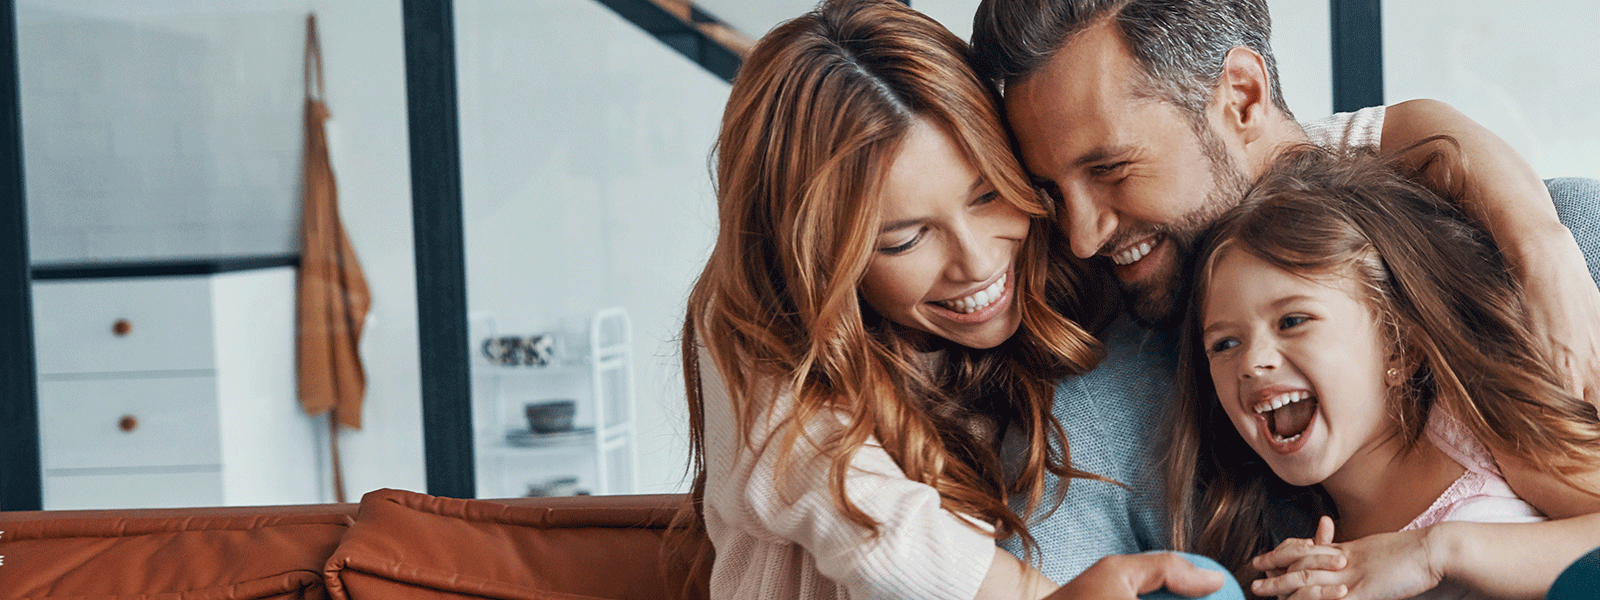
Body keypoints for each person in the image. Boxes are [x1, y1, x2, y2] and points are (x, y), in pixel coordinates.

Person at [967, 0, 1600, 586]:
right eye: (1050, 190)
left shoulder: (1541, 257)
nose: (1080, 236)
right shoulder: (1094, 423)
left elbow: (1401, 134)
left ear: (1241, 99)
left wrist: (1542, 249)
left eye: (1111, 169)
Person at [676, 1, 1239, 598]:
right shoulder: (755, 330)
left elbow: (1280, 173)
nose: (977, 262)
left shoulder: (1064, 238)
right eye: (907, 238)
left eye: (990, 193)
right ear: (815, 260)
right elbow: (876, 524)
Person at [1170, 146, 1600, 599]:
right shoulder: (1312, 558)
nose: (1253, 362)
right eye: (1224, 344)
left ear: (1399, 346)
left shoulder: (1474, 426)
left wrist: (1435, 552)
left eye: (1293, 321)